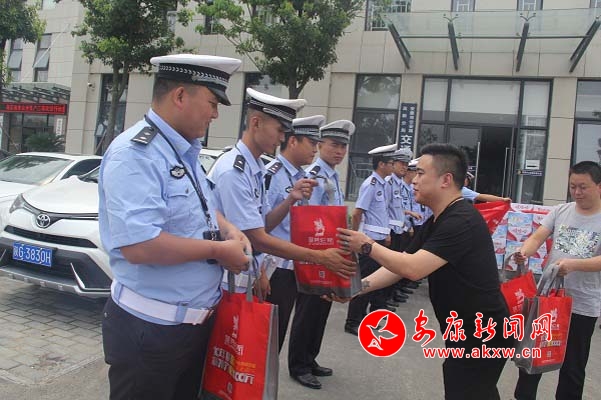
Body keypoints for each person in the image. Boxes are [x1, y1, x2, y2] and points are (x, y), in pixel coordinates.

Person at [98, 54, 252, 400]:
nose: (215, 114)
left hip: (192, 328)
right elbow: (140, 245)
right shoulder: (136, 154)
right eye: (212, 103)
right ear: (180, 96)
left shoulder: (183, 150)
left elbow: (200, 206)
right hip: (150, 331)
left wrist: (228, 229)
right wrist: (218, 251)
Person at [336, 143, 512, 400]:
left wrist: (366, 245)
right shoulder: (439, 219)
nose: (414, 180)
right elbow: (401, 265)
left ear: (446, 180)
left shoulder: (461, 220)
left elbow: (413, 268)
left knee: (467, 391)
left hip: (483, 333)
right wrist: (356, 288)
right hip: (466, 330)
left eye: (420, 173)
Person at [209, 88, 355, 306]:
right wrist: (320, 257)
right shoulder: (234, 171)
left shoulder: (254, 168)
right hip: (230, 281)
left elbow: (264, 224)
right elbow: (255, 238)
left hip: (248, 276)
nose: (282, 138)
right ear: (256, 123)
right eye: (279, 130)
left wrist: (290, 200)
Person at [513, 161, 601, 400]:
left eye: (583, 187)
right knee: (532, 355)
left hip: (582, 304)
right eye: (573, 186)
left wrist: (574, 265)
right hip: (547, 300)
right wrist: (524, 252)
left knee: (573, 365)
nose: (577, 192)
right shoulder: (561, 210)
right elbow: (537, 237)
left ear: (599, 187)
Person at [287, 119, 354, 390]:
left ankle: (310, 358)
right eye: (334, 145)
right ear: (321, 145)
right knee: (308, 311)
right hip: (316, 255)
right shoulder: (314, 174)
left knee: (322, 309)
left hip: (331, 253)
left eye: (343, 146)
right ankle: (298, 366)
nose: (339, 151)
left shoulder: (333, 175)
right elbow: (309, 219)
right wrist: (316, 257)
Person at [262, 114, 324, 354]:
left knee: (279, 332)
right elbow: (260, 226)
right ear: (293, 141)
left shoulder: (302, 176)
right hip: (273, 268)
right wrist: (289, 200)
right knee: (265, 337)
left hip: (293, 266)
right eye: (312, 143)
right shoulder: (271, 174)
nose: (315, 150)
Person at [344, 143, 397, 336]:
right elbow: (357, 212)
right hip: (368, 241)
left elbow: (382, 213)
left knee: (375, 282)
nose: (393, 166)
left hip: (379, 240)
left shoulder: (383, 184)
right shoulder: (371, 184)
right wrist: (355, 238)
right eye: (390, 163)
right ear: (381, 164)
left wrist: (386, 233)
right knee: (365, 282)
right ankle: (352, 321)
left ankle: (367, 316)